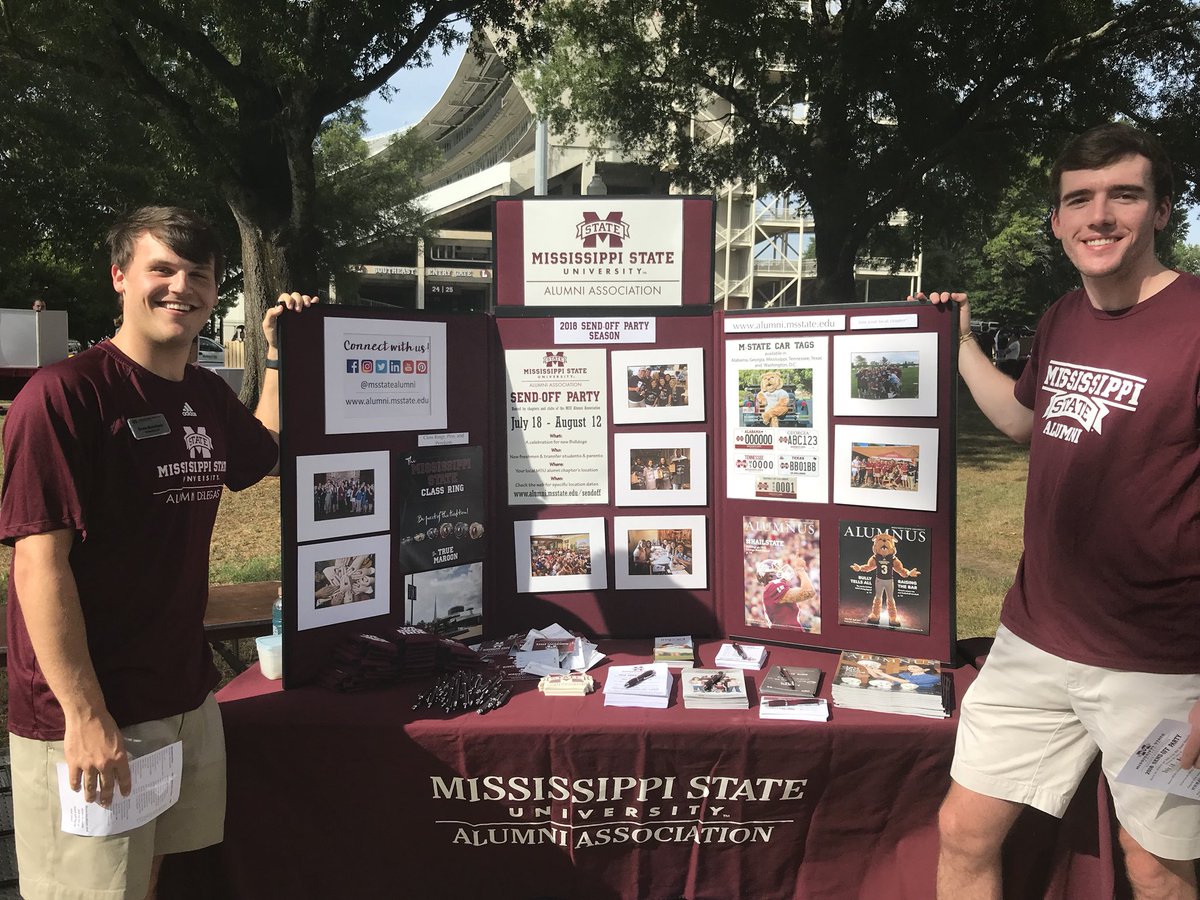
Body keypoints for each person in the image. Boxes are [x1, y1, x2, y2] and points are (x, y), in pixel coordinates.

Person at [0, 206, 317, 900]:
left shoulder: (203, 393)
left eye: (198, 274)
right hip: (93, 711)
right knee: (90, 892)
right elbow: (38, 565)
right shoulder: (63, 396)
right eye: (162, 269)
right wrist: (85, 716)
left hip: (182, 696)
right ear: (120, 276)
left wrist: (278, 357)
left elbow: (262, 449)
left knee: (157, 880)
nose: (182, 287)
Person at [917, 124, 1200, 899]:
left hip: (1161, 663)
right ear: (1057, 221)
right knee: (963, 832)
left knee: (1157, 868)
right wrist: (961, 342)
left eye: (1124, 196)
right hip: (1033, 641)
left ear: (1161, 211)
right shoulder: (1063, 316)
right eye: (1079, 200)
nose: (1099, 216)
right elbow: (1023, 422)